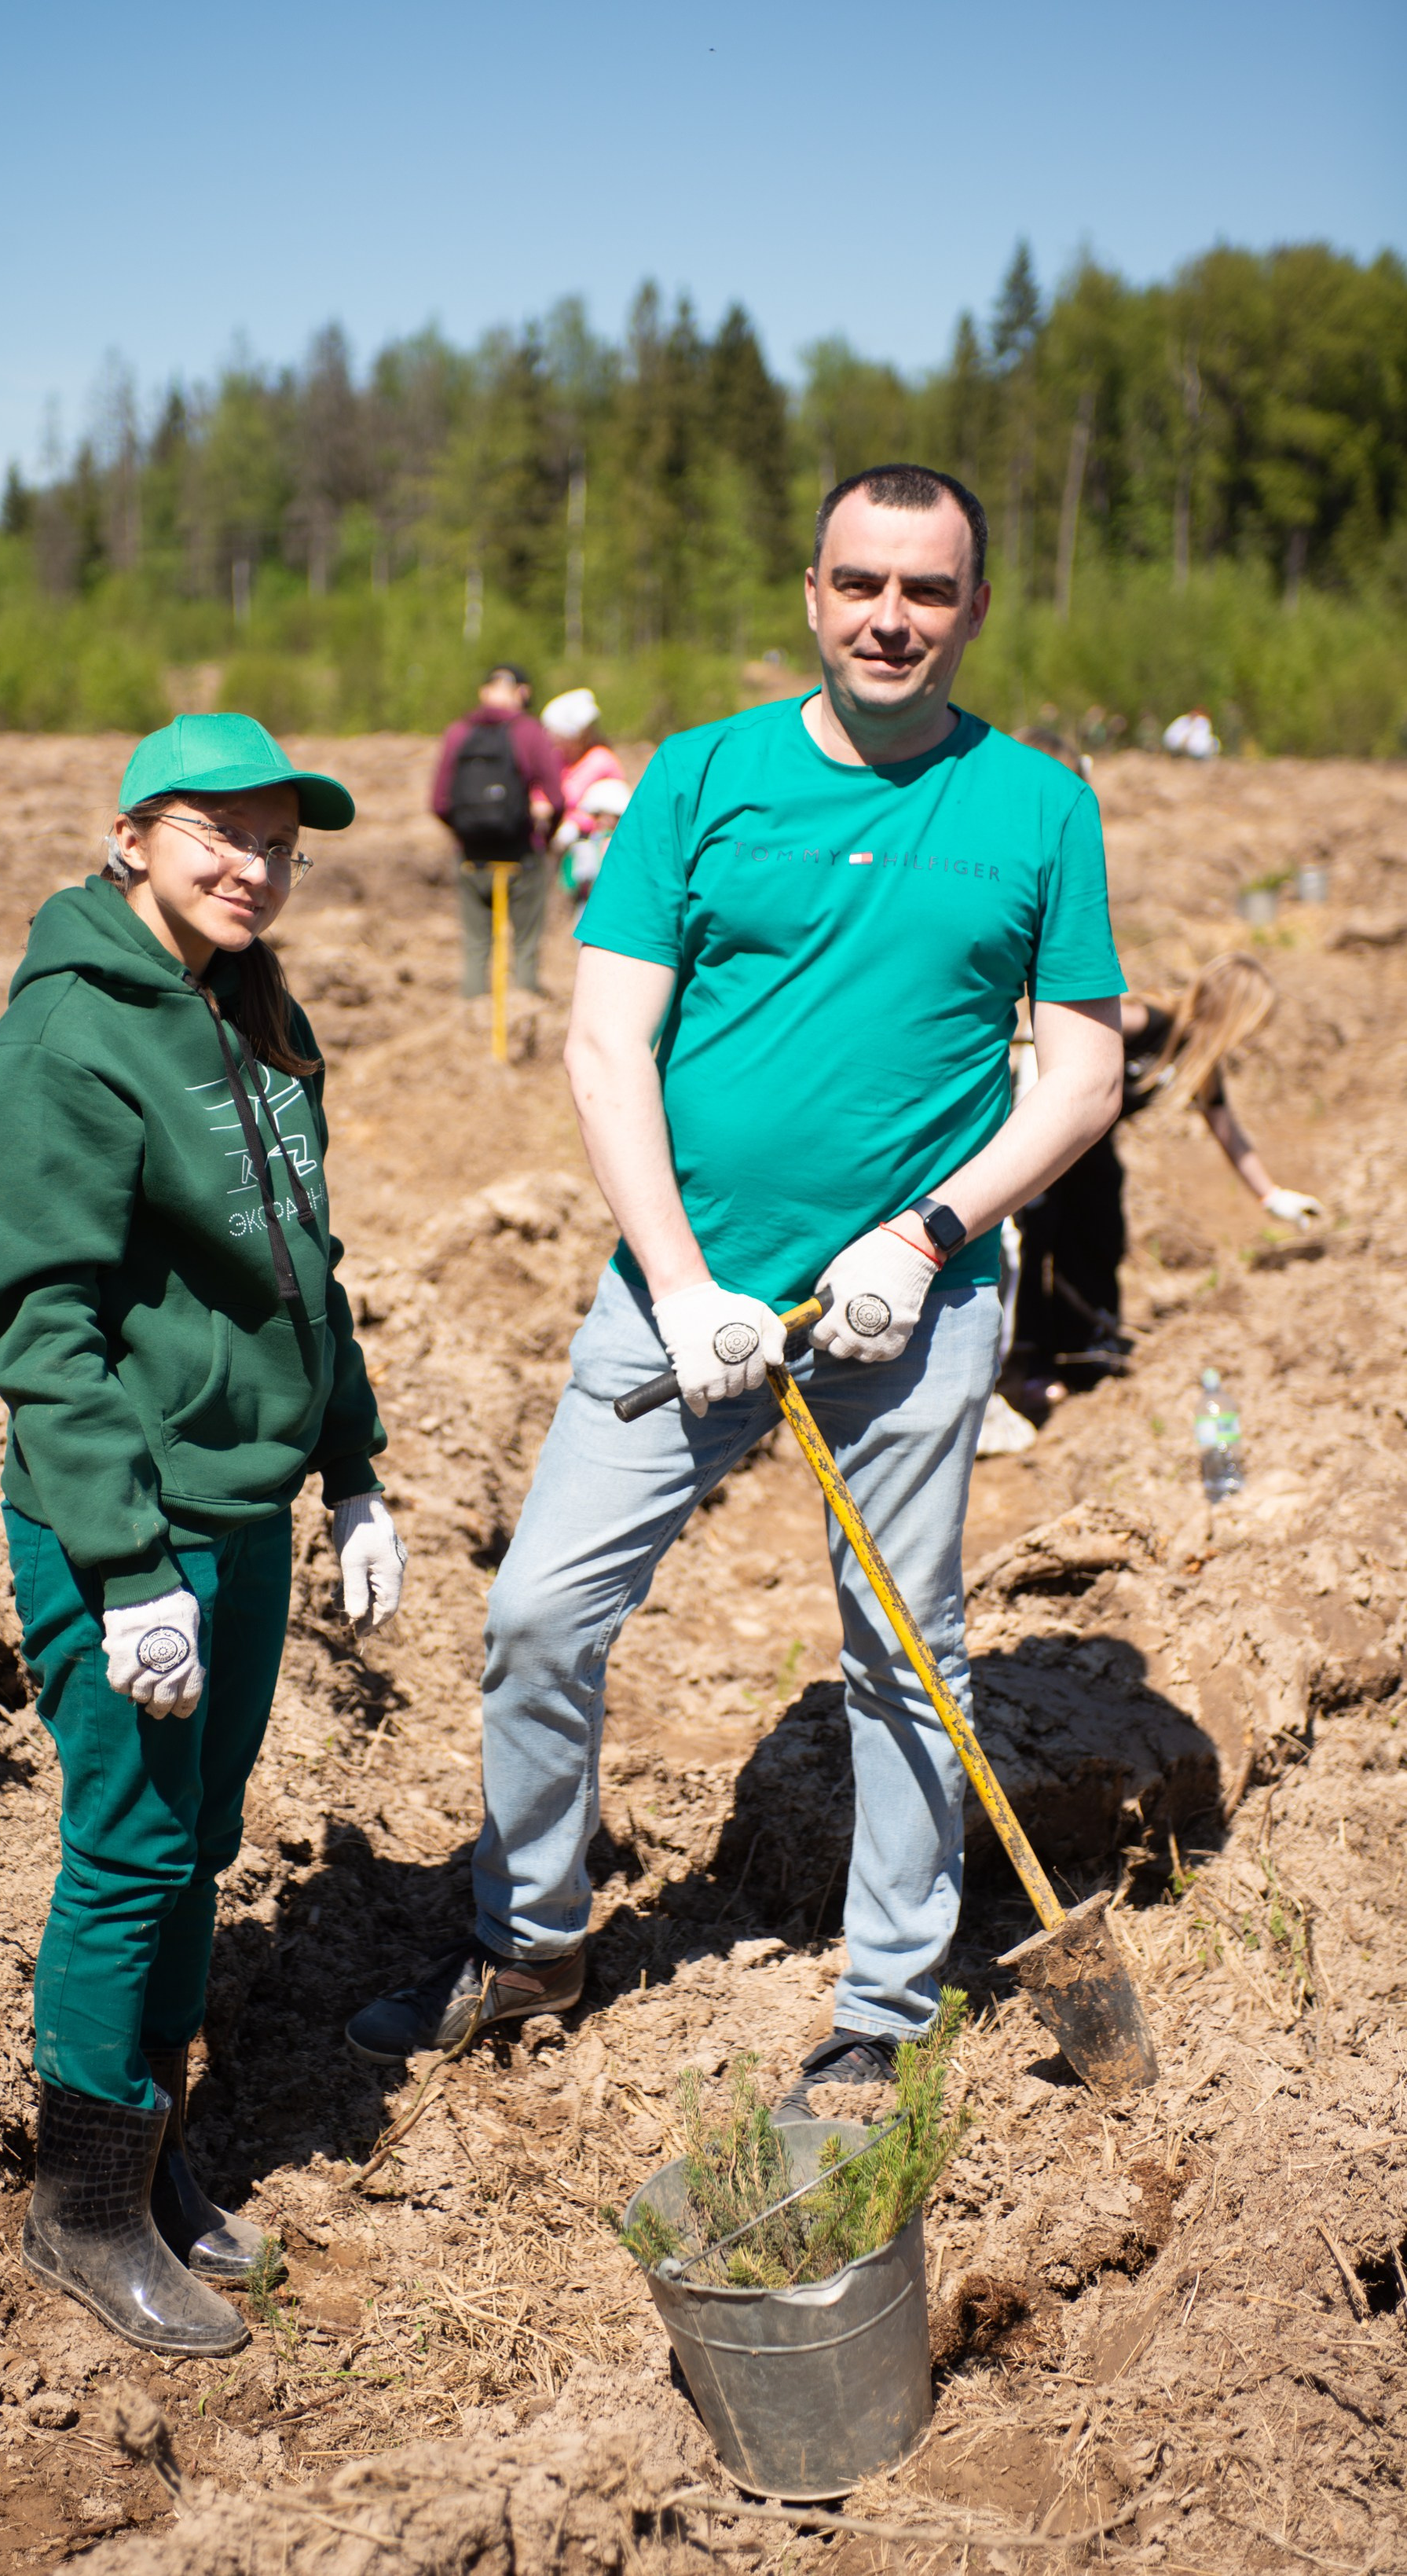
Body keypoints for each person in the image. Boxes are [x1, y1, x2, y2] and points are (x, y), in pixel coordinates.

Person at [346, 464, 1126, 2103]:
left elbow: (1075, 1078)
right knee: (538, 1613)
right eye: (861, 584)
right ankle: (527, 1937)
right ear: (811, 593)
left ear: (972, 607)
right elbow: (604, 1038)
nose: (890, 617)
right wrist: (685, 1281)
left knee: (903, 1657)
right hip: (677, 1299)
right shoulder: (700, 781)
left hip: (911, 1311)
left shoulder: (1039, 807)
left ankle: (890, 2006)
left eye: (925, 590)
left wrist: (922, 1237)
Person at [0, 712, 406, 2358]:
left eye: (279, 839)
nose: (253, 865)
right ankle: (76, 2209)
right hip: (129, 1530)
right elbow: (42, 1333)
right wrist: (127, 1565)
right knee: (130, 1852)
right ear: (131, 834)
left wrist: (351, 1468)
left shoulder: (251, 1008)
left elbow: (308, 1270)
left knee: (195, 1849)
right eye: (216, 832)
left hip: (248, 1508)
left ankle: (149, 2157)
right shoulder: (62, 1046)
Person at [1009, 951, 1325, 1385]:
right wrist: (1030, 1113)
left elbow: (1225, 1127)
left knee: (1100, 1238)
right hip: (1041, 1131)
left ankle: (1084, 1351)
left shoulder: (1194, 1056)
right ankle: (1027, 1363)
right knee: (1036, 1240)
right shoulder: (1151, 1019)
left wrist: (1271, 1195)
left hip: (1088, 1148)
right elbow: (1058, 1023)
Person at [431, 664, 563, 1006]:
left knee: (476, 944)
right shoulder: (529, 732)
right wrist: (543, 841)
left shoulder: (458, 732)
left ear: (484, 692)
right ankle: (525, 1017)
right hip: (522, 854)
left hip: (472, 856)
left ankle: (473, 1022)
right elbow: (557, 797)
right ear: (523, 693)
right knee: (525, 944)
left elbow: (439, 802)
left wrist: (465, 832)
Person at [541, 688, 632, 912]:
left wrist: (577, 823)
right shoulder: (558, 760)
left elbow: (615, 806)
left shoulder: (601, 761)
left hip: (596, 850)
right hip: (563, 855)